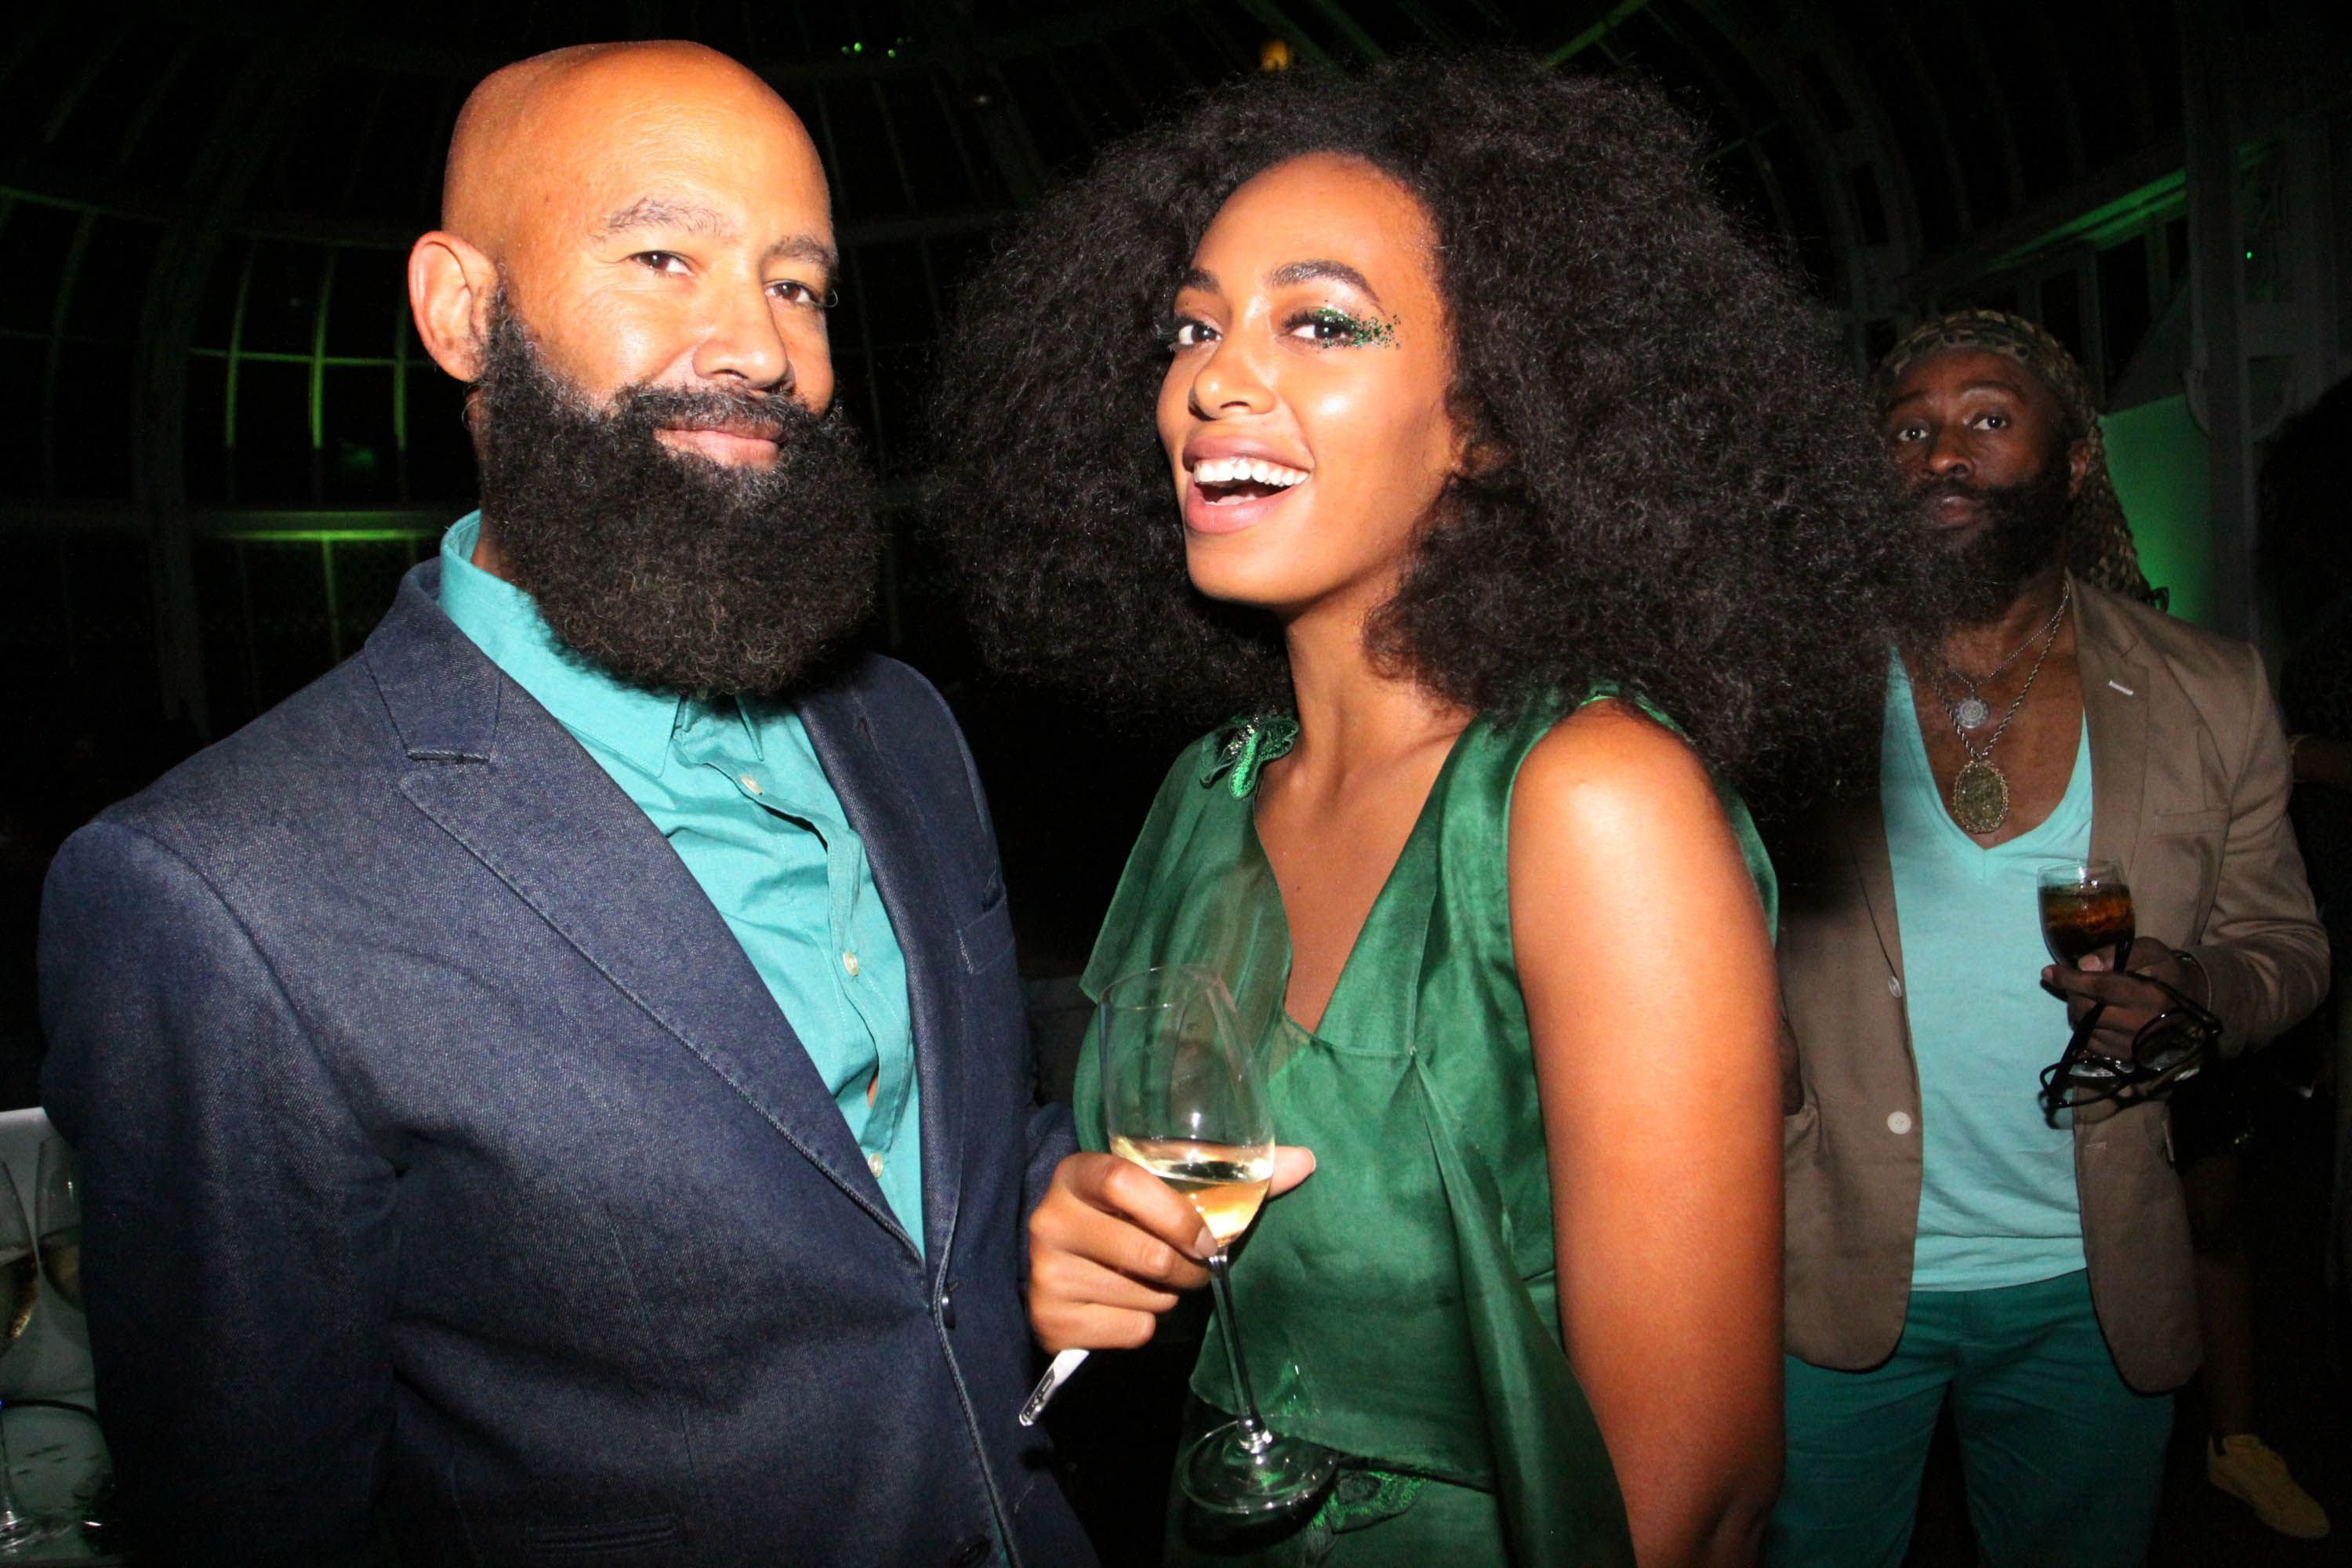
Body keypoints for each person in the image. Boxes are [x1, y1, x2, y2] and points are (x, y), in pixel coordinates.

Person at [37, 42, 1092, 1568]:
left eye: (800, 286)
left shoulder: (905, 732)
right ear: (462, 311)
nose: (759, 346)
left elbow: (914, 1170)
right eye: (664, 256)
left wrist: (1047, 1200)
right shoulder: (218, 893)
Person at [928, 55, 1929, 1566]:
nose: (1213, 380)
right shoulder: (1209, 797)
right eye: (1194, 327)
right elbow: (1195, 1201)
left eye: (1319, 323)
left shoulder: (1591, 802)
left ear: (1494, 422)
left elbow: (1693, 1502)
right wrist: (1077, 1242)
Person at [1767, 308, 2332, 1566]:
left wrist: (2199, 987)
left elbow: (2287, 943)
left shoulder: (2209, 687)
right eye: (1908, 430)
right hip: (1833, 1263)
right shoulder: (1783, 688)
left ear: (2073, 462)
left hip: (2093, 1279)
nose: (1941, 454)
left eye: (1985, 419)